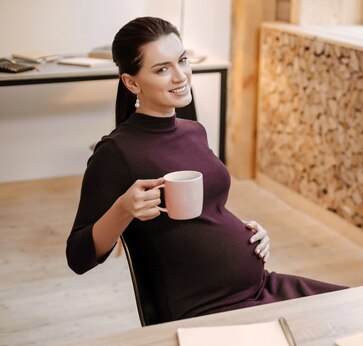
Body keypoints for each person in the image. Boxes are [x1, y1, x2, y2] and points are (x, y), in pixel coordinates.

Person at [66, 16, 345, 323]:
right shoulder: (117, 153)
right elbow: (78, 257)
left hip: (262, 285)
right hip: (210, 310)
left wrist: (249, 231)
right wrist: (123, 208)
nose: (180, 76)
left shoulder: (192, 130)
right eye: (162, 69)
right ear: (132, 82)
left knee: (358, 308)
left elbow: (209, 209)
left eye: (182, 61)